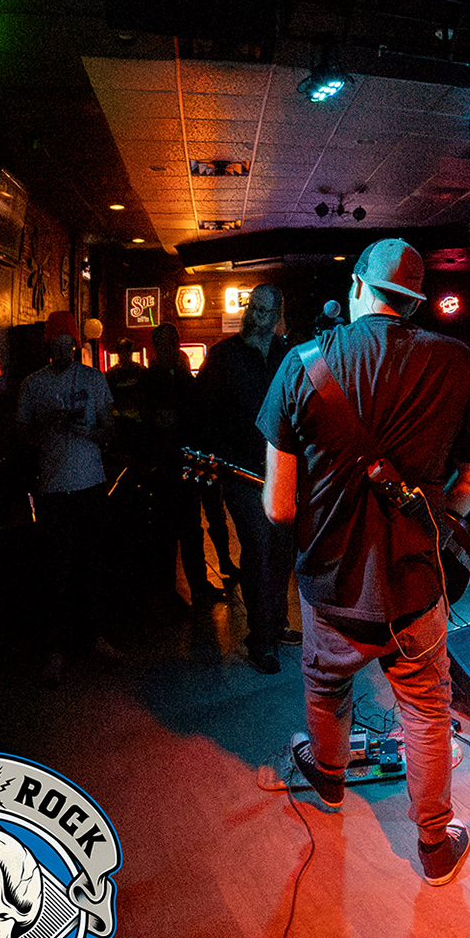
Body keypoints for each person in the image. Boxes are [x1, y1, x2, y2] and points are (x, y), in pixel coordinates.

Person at [259, 239, 470, 885]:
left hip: (330, 581)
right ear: (414, 301)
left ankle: (330, 781)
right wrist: (433, 515)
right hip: (414, 581)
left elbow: (279, 507)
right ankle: (434, 846)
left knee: (325, 684)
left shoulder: (302, 364)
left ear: (359, 287)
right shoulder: (457, 361)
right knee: (424, 708)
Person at [16, 310, 121, 681]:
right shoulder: (33, 384)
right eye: (57, 345)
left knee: (92, 566)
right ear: (49, 346)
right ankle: (55, 650)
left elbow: (110, 430)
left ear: (75, 345)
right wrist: (48, 423)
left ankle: (94, 637)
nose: (63, 351)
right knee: (55, 573)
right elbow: (21, 437)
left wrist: (88, 432)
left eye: (68, 345)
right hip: (53, 490)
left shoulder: (94, 379)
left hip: (91, 485)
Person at [200, 285, 296, 673]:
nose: (255, 317)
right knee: (258, 547)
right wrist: (218, 458)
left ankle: (276, 623)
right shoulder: (224, 355)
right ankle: (261, 639)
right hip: (241, 470)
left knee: (283, 550)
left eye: (264, 311)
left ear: (277, 315)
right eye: (253, 308)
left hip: (283, 470)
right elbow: (205, 412)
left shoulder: (288, 353)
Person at [133, 322, 226, 609]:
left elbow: (147, 420)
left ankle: (177, 591)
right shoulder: (177, 378)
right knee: (184, 529)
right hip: (178, 462)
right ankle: (190, 588)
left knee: (176, 530)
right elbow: (195, 415)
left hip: (168, 463)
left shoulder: (153, 379)